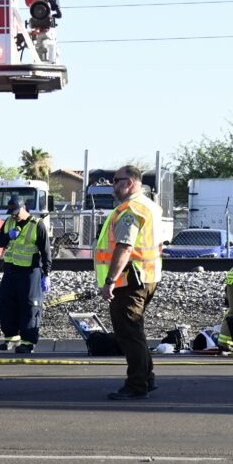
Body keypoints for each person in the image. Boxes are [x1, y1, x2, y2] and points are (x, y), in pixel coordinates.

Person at [95, 165, 163, 400]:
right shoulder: (150, 206)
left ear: (130, 182)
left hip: (129, 279)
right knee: (135, 332)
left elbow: (124, 247)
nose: (112, 185)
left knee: (128, 334)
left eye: (116, 180)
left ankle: (136, 385)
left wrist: (110, 281)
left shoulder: (130, 209)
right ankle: (146, 378)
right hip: (147, 277)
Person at [0, 196, 51, 354]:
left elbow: (46, 251)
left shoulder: (37, 225)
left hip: (29, 272)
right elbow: (0, 242)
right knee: (5, 302)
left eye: (16, 213)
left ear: (24, 208)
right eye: (12, 213)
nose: (14, 216)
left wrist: (46, 273)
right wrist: (8, 236)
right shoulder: (9, 222)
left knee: (29, 306)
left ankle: (28, 342)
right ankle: (12, 336)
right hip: (11, 270)